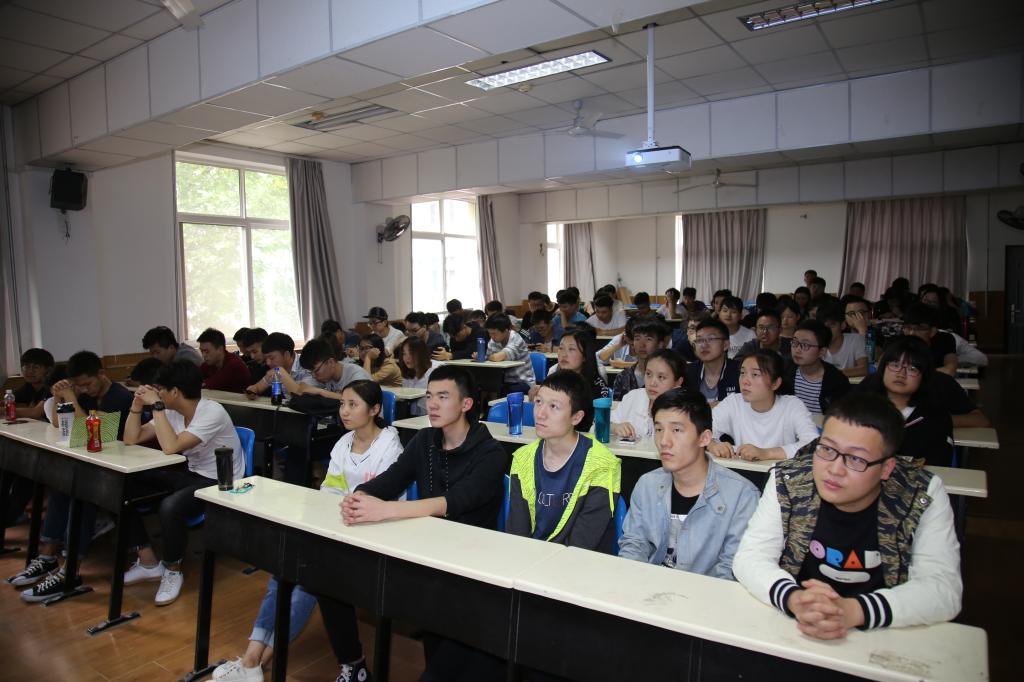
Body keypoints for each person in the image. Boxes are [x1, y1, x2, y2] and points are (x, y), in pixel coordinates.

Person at [324, 366, 506, 681]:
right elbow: (392, 479)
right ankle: (354, 665)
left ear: (466, 404)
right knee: (327, 578)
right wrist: (361, 496)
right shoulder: (425, 440)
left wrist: (385, 510)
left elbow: (453, 502)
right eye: (429, 396)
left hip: (470, 566)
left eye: (443, 397)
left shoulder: (491, 452)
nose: (432, 404)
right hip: (426, 554)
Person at [211, 381, 402, 682]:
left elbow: (383, 502)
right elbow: (329, 491)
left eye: (353, 405)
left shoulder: (391, 448)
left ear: (375, 409)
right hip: (336, 529)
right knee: (283, 571)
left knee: (308, 578)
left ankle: (255, 663)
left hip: (372, 537)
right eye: (342, 404)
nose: (344, 411)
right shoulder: (344, 442)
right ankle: (252, 660)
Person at [733, 392, 962, 639]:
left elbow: (942, 589)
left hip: (884, 634)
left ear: (886, 468)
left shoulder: (919, 493)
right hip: (795, 628)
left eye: (856, 459)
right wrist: (794, 598)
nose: (834, 469)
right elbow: (751, 557)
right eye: (826, 449)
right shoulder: (788, 480)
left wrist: (854, 610)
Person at [116, 361, 243, 607]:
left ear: (174, 392)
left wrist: (157, 406)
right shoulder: (173, 412)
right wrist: (136, 407)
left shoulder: (211, 411)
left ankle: (172, 569)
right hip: (191, 474)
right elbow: (131, 439)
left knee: (170, 507)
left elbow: (170, 447)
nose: (157, 393)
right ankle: (148, 562)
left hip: (219, 481)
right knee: (123, 486)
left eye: (160, 389)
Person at [10, 352, 136, 599]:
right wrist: (59, 397)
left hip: (123, 468)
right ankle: (47, 556)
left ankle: (71, 570)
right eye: (78, 386)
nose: (83, 390)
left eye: (87, 384)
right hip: (97, 464)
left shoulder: (119, 396)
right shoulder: (86, 395)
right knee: (62, 486)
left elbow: (93, 433)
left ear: (101, 374)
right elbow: (59, 425)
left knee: (82, 494)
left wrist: (71, 398)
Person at [618, 389, 758, 578]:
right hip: (649, 588)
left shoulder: (742, 496)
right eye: (659, 429)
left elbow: (731, 570)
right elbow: (634, 545)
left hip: (707, 594)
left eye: (676, 430)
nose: (664, 441)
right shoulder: (647, 485)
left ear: (704, 438)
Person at [507, 371, 621, 551]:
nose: (540, 414)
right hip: (530, 559)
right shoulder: (522, 458)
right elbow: (517, 533)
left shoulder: (602, 465)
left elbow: (582, 543)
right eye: (538, 402)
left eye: (554, 406)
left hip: (580, 562)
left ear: (576, 417)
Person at [853, 337, 955, 467]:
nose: (901, 374)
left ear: (924, 376)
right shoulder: (861, 408)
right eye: (895, 365)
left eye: (912, 369)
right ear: (882, 368)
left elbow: (940, 462)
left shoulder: (936, 416)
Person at [709, 351, 819, 462]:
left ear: (775, 383)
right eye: (742, 373)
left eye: (755, 374)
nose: (745, 381)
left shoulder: (792, 405)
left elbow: (812, 444)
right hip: (742, 470)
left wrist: (766, 453)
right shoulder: (734, 403)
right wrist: (713, 445)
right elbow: (702, 430)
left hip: (781, 471)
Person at [611, 349, 685, 441]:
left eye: (661, 377)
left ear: (678, 382)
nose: (652, 383)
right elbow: (601, 424)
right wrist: (615, 427)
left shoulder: (684, 411)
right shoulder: (633, 397)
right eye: (648, 374)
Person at [786, 319, 851, 416]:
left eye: (805, 345)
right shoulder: (785, 371)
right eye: (795, 342)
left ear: (822, 352)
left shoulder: (837, 382)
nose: (797, 350)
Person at [277, 336, 371, 399]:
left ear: (330, 362)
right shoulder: (325, 376)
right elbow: (300, 389)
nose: (313, 376)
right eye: (311, 372)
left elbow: (358, 401)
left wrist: (320, 391)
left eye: (316, 370)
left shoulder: (357, 375)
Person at [529, 327, 607, 400]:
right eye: (561, 348)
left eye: (571, 349)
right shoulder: (553, 376)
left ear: (585, 355)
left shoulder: (597, 385)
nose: (564, 354)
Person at [685, 319, 741, 405]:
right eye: (699, 340)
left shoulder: (740, 372)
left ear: (725, 345)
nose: (704, 345)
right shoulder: (687, 372)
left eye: (710, 339)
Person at [612, 316, 669, 396]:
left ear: (660, 344)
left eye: (648, 339)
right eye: (637, 338)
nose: (642, 345)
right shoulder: (623, 377)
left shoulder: (668, 376)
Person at [245, 332, 313, 398]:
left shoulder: (307, 365)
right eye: (266, 358)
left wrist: (282, 373)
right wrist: (252, 390)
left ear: (286, 355)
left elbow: (302, 396)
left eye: (271, 358)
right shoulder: (276, 369)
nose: (268, 363)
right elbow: (257, 387)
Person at [483, 313, 535, 396]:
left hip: (523, 382)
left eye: (494, 334)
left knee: (501, 391)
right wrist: (481, 357)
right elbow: (489, 359)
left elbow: (496, 357)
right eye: (490, 333)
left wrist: (486, 357)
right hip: (504, 381)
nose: (492, 336)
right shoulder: (493, 341)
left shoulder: (516, 339)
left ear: (506, 331)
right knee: (485, 387)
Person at [902, 303, 958, 375]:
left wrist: (914, 374)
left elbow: (950, 370)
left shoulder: (945, 340)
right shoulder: (899, 341)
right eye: (908, 327)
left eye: (919, 328)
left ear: (932, 331)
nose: (911, 333)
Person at [818, 302, 868, 377]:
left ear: (842, 325)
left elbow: (863, 369)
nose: (827, 330)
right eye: (823, 327)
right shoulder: (815, 343)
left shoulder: (856, 340)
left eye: (831, 325)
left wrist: (833, 373)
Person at [197, 327, 252, 393]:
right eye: (201, 351)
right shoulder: (208, 364)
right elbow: (193, 380)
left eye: (207, 351)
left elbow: (208, 386)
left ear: (220, 349)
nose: (203, 355)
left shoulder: (234, 365)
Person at [396, 337, 439, 416]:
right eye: (404, 354)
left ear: (421, 354)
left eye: (411, 353)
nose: (407, 358)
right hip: (411, 417)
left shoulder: (433, 374)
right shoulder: (407, 374)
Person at [13, 347, 54, 420]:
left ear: (48, 370)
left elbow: (36, 413)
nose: (30, 371)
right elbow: (9, 402)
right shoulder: (28, 386)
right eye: (27, 367)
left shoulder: (53, 386)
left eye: (36, 367)